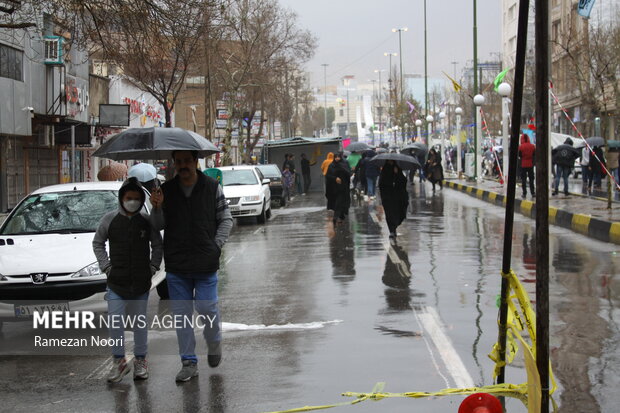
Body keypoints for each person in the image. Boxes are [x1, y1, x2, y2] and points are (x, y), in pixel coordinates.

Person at [149, 150, 233, 382]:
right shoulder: (165, 191)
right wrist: (156, 207)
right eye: (179, 161)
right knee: (182, 315)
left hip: (205, 262)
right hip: (177, 264)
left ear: (196, 162)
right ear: (174, 164)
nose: (183, 165)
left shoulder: (211, 187)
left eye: (187, 161)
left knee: (207, 307)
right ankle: (188, 362)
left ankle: (214, 341)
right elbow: (157, 226)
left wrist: (215, 245)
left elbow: (226, 219)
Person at [92, 177, 163, 383]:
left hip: (140, 284)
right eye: (128, 198)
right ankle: (119, 361)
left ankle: (140, 361)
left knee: (139, 324)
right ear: (121, 199)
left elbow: (158, 246)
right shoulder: (109, 219)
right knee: (115, 323)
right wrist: (106, 267)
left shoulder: (146, 221)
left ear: (141, 201)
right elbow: (98, 243)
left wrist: (152, 267)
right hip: (116, 283)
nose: (132, 201)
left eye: (136, 198)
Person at [379, 160, 408, 240]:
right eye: (389, 162)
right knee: (389, 213)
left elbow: (404, 181)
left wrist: (397, 173)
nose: (391, 163)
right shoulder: (385, 170)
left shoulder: (398, 169)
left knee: (399, 212)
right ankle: (392, 230)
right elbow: (381, 183)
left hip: (398, 196)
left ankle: (394, 226)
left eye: (392, 161)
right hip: (388, 196)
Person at [325, 152, 351, 224]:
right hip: (334, 188)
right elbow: (328, 175)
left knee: (341, 203)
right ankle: (337, 216)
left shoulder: (345, 164)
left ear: (341, 157)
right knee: (337, 203)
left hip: (344, 187)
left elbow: (349, 173)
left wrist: (342, 169)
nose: (337, 158)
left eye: (338, 157)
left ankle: (339, 216)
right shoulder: (331, 165)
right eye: (335, 157)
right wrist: (335, 178)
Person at [518, 133, 536, 198]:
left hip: (523, 164)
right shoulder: (532, 146)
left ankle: (524, 193)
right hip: (530, 164)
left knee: (524, 180)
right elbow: (534, 154)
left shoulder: (521, 147)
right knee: (531, 179)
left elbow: (519, 155)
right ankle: (533, 192)